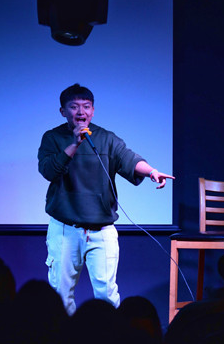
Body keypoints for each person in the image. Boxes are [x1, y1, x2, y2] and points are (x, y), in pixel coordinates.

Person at [38, 83, 173, 314]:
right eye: (74, 106)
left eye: (86, 106)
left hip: (101, 230)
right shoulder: (53, 138)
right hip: (65, 229)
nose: (81, 112)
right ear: (63, 111)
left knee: (107, 294)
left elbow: (128, 159)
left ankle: (111, 336)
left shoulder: (106, 138)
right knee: (60, 294)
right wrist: (75, 144)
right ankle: (63, 337)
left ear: (93, 110)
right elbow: (49, 171)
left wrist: (152, 172)